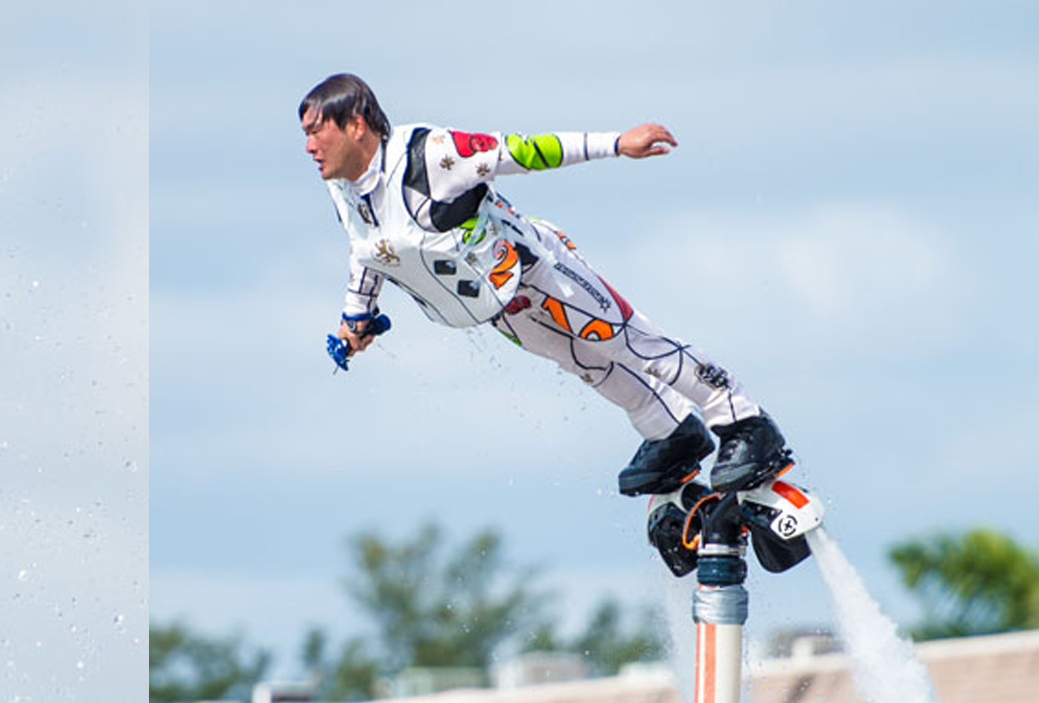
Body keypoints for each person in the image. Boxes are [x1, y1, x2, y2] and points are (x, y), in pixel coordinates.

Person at [300, 73, 797, 504]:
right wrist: (355, 319)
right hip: (498, 306)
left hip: (540, 270)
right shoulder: (345, 192)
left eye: (316, 131)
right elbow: (368, 251)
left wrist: (617, 144)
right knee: (585, 364)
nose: (308, 147)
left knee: (625, 339)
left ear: (356, 124)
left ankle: (741, 418)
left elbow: (522, 151)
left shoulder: (430, 153)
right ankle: (670, 432)